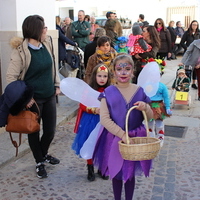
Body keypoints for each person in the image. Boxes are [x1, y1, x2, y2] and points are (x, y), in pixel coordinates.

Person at [92, 54, 153, 200]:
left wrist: (145, 107)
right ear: (114, 71)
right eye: (119, 69)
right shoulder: (108, 93)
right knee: (116, 172)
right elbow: (105, 119)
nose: (123, 72)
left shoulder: (139, 91)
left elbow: (150, 116)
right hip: (115, 139)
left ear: (133, 71)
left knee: (130, 173)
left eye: (127, 68)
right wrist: (122, 134)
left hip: (135, 139)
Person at [6, 15, 60, 178]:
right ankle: (39, 162)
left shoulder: (47, 44)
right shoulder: (21, 51)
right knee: (33, 131)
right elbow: (10, 78)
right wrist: (25, 99)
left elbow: (53, 66)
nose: (46, 30)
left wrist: (56, 84)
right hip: (33, 101)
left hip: (49, 95)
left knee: (50, 131)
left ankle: (42, 155)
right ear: (36, 30)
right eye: (43, 27)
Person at [72, 64, 111, 181]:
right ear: (94, 76)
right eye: (99, 76)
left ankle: (102, 168)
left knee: (104, 144)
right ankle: (90, 168)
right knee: (90, 143)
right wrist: (93, 109)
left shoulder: (110, 91)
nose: (102, 79)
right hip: (91, 121)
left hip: (105, 122)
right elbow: (82, 104)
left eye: (105, 76)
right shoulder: (89, 90)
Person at [148, 79, 172, 147]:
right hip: (149, 105)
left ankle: (160, 138)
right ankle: (151, 139)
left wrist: (168, 107)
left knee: (159, 123)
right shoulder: (147, 85)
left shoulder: (162, 86)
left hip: (159, 105)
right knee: (149, 123)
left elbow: (166, 97)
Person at [180, 20, 200, 89]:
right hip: (188, 52)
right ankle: (187, 82)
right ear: (191, 25)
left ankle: (194, 83)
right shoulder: (187, 33)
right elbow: (182, 42)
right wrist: (186, 47)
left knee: (195, 68)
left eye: (196, 25)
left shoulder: (198, 33)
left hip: (196, 53)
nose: (195, 26)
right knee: (188, 69)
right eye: (193, 24)